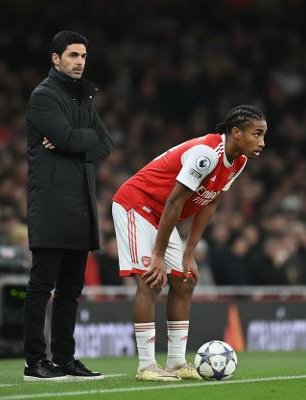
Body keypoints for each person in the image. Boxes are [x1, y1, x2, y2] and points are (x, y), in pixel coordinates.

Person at [112, 105, 267, 381]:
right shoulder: (206, 155)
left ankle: (175, 362)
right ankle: (146, 366)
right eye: (257, 134)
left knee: (185, 280)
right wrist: (158, 255)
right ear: (236, 133)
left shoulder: (238, 162)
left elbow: (210, 204)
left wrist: (188, 253)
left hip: (161, 215)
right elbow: (175, 201)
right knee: (150, 280)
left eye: (263, 135)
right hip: (136, 204)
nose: (262, 142)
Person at [23, 30, 112, 381]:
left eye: (83, 56)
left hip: (81, 205)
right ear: (55, 58)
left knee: (71, 290)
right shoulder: (43, 96)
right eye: (73, 55)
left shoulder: (82, 98)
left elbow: (104, 144)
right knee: (41, 286)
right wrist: (75, 140)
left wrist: (72, 143)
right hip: (51, 204)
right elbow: (71, 137)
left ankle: (64, 359)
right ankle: (34, 362)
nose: (79, 62)